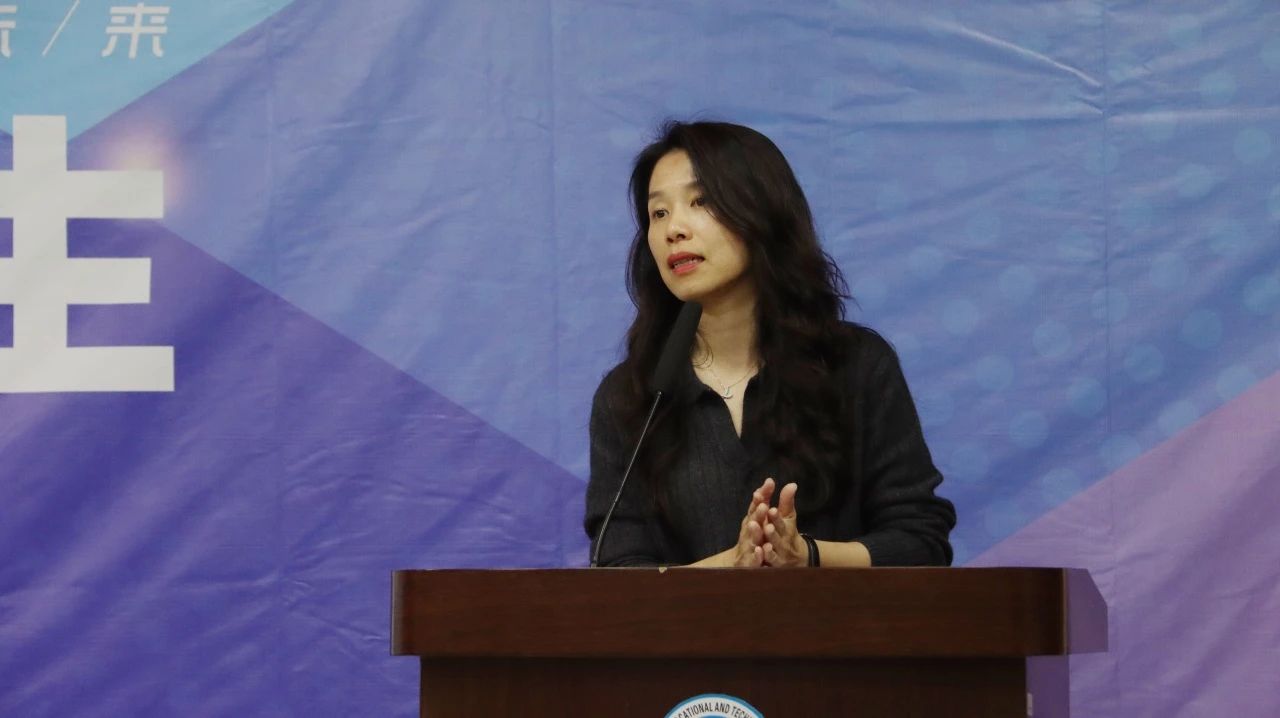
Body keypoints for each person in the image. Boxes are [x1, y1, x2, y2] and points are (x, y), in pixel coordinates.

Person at [585, 120, 955, 568]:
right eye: (658, 213)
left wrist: (806, 556)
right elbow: (617, 573)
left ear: (761, 211)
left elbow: (921, 541)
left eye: (701, 201)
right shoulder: (631, 397)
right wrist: (732, 565)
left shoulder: (855, 365)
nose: (673, 230)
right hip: (693, 620)